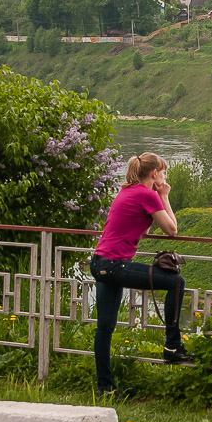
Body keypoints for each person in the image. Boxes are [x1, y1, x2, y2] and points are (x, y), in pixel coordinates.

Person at [89, 152, 196, 393]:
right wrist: (164, 196)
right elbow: (172, 229)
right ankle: (172, 346)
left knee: (104, 328)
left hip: (99, 262)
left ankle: (105, 387)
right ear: (154, 174)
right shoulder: (147, 194)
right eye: (164, 172)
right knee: (177, 282)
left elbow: (137, 226)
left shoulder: (126, 192)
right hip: (116, 265)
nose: (165, 177)